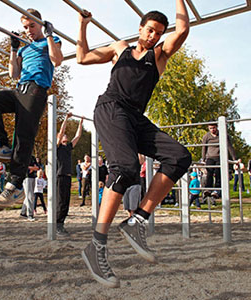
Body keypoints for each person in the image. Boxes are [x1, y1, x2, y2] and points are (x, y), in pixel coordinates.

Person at [77, 2, 192, 287]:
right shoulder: (120, 48)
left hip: (135, 118)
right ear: (141, 28)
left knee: (179, 157)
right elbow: (81, 57)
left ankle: (136, 220)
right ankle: (97, 245)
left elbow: (184, 29)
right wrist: (83, 25)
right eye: (150, 30)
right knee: (125, 168)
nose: (153, 36)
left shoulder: (160, 56)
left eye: (159, 33)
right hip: (111, 108)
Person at [0, 8, 63, 207]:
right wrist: (14, 49)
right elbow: (13, 74)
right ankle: (2, 144)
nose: (29, 30)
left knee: (24, 134)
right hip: (19, 90)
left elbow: (57, 60)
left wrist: (50, 35)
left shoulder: (50, 41)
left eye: (32, 26)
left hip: (36, 89)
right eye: (26, 27)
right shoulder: (25, 48)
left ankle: (15, 185)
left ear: (40, 24)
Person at [55, 113, 83, 235]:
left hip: (67, 177)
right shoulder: (57, 147)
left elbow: (78, 136)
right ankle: (57, 225)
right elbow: (61, 131)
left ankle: (61, 224)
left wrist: (81, 123)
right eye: (63, 136)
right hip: (60, 176)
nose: (65, 136)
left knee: (66, 202)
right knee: (61, 202)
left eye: (66, 135)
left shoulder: (68, 147)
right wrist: (66, 118)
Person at [202, 123, 237, 198]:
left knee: (218, 173)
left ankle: (217, 191)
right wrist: (203, 159)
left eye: (214, 128)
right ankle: (208, 189)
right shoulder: (206, 136)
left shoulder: (223, 135)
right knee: (209, 172)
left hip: (219, 156)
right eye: (210, 128)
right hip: (210, 157)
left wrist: (234, 159)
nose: (212, 130)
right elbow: (204, 148)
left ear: (217, 127)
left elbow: (229, 147)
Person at [19, 156, 40, 221]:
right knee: (30, 196)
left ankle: (23, 212)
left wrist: (32, 168)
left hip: (33, 177)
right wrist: (33, 168)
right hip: (27, 178)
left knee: (28, 196)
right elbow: (23, 167)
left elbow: (38, 167)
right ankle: (30, 214)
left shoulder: (32, 157)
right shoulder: (23, 157)